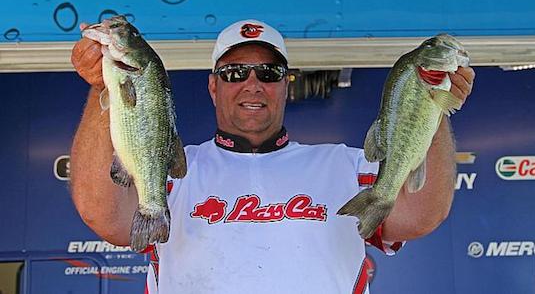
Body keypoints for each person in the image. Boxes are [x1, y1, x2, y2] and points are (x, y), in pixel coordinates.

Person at [70, 19, 474, 293]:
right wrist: (99, 85)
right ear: (213, 87)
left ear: (285, 86)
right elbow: (104, 216)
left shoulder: (345, 167)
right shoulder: (172, 169)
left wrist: (432, 105)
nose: (252, 84)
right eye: (234, 73)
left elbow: (420, 215)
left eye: (268, 73)